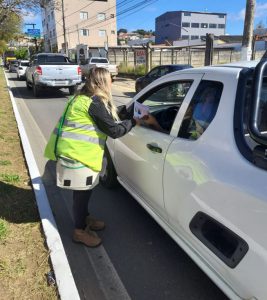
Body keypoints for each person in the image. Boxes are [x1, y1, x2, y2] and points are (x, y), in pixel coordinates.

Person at [44, 67, 144, 248]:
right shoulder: (94, 103)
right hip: (77, 154)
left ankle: (85, 218)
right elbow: (114, 130)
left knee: (85, 190)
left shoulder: (83, 98)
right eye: (110, 80)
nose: (112, 83)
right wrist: (136, 121)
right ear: (102, 82)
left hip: (74, 151)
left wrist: (123, 112)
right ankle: (79, 231)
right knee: (82, 193)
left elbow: (104, 117)